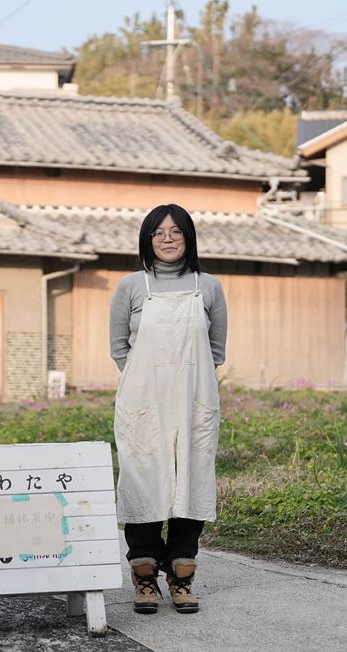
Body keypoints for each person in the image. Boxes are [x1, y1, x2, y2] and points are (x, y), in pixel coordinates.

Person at [109, 204, 227, 615]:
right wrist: (146, 381)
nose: (168, 239)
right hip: (143, 400)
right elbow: (119, 347)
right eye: (158, 233)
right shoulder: (131, 287)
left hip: (194, 398)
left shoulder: (208, 287)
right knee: (143, 477)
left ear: (189, 237)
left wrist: (186, 383)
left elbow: (216, 350)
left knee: (190, 475)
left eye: (176, 232)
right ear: (147, 240)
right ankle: (144, 576)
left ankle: (181, 575)